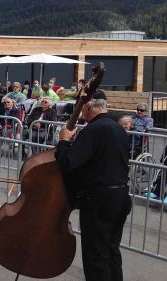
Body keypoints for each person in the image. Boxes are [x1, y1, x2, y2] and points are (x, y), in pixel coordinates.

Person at [55, 94, 131, 281]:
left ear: (88, 106)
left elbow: (68, 163)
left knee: (96, 256)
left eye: (81, 107)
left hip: (100, 200)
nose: (80, 112)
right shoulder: (118, 128)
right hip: (120, 195)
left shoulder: (94, 129)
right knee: (111, 252)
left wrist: (64, 141)